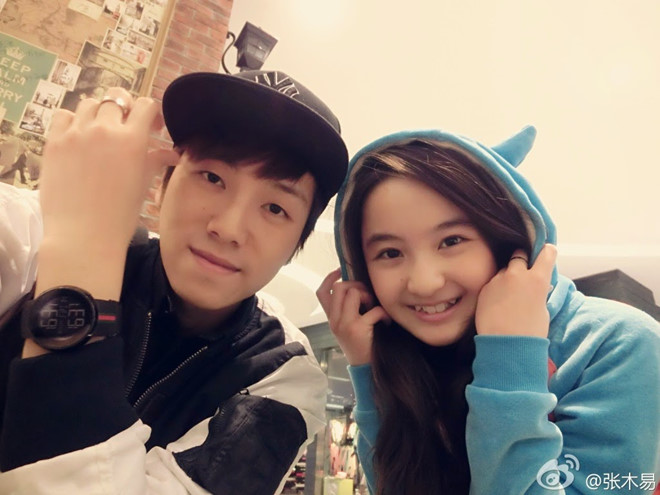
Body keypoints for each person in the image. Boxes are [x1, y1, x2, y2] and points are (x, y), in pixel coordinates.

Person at [0, 69, 349, 494]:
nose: (228, 228)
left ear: (297, 241)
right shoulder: (35, 235)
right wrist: (79, 238)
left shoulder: (283, 374)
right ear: (163, 182)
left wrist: (78, 262)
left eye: (275, 208)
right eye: (212, 178)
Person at [316, 126, 660, 494]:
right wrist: (369, 370)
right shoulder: (415, 354)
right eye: (390, 253)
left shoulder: (616, 343)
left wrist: (511, 353)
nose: (424, 282)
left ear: (507, 242)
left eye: (451, 240)